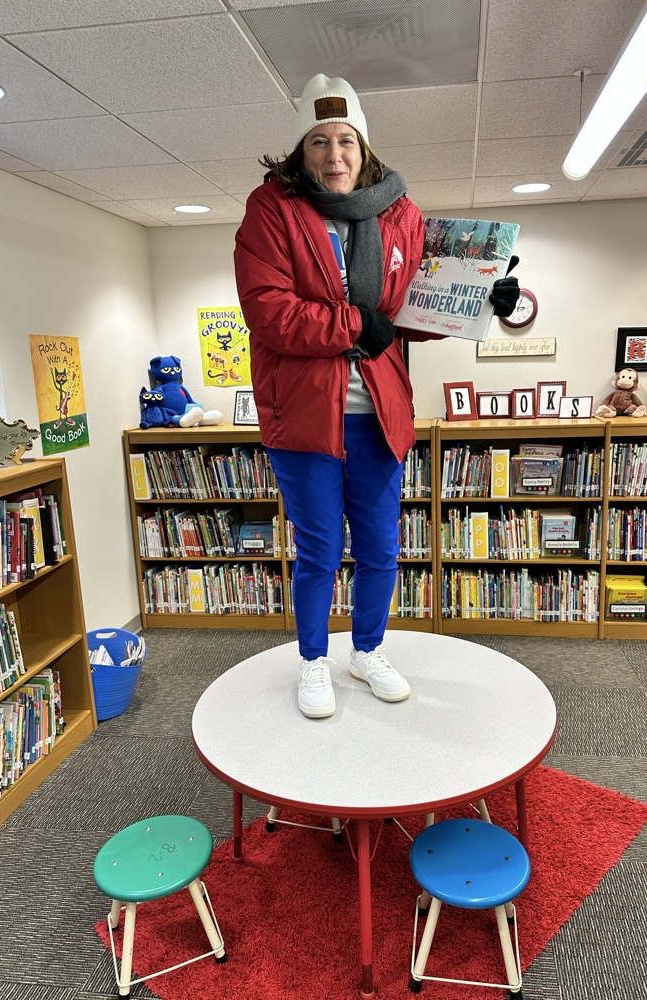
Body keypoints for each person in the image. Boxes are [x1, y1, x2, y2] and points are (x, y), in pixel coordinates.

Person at [234, 74, 519, 719]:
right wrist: (358, 324)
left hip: (379, 416)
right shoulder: (271, 212)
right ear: (299, 152)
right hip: (306, 418)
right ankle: (313, 662)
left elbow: (411, 312)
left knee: (382, 546)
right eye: (318, 142)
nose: (333, 156)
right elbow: (272, 315)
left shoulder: (401, 215)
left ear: (364, 150)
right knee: (318, 550)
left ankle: (366, 650)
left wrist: (481, 302)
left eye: (346, 142)